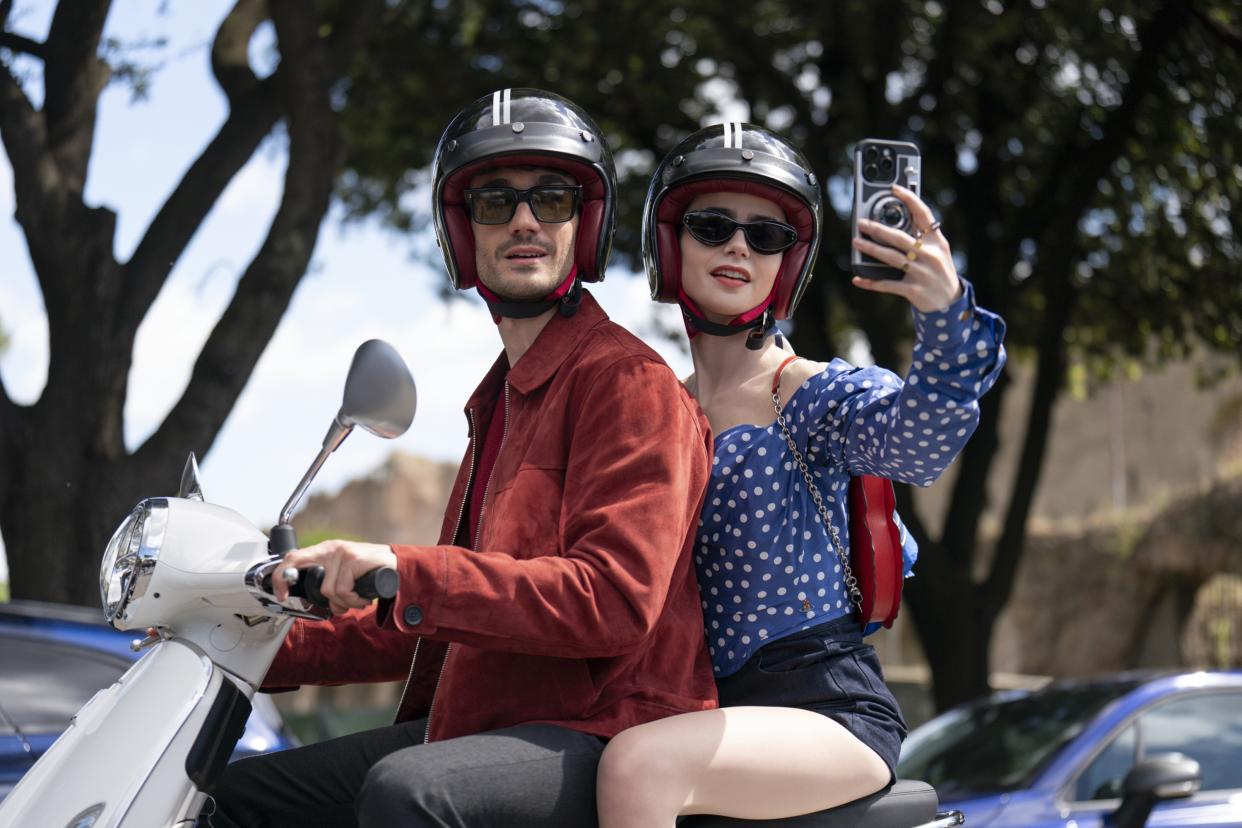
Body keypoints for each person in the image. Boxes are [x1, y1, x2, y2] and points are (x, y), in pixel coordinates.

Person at [206, 89, 718, 827]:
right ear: (460, 229)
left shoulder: (629, 385)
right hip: (488, 723)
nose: (523, 221)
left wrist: (409, 568)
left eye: (551, 198)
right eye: (493, 202)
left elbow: (613, 601)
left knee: (408, 791)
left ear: (587, 222)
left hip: (608, 726)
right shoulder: (502, 402)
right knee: (234, 796)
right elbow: (439, 619)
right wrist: (257, 645)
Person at [595, 123, 1007, 826]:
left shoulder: (812, 395)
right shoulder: (656, 411)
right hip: (689, 707)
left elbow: (918, 446)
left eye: (767, 236)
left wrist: (945, 317)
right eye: (712, 224)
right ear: (671, 244)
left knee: (639, 768)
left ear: (789, 263)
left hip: (823, 708)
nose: (737, 246)